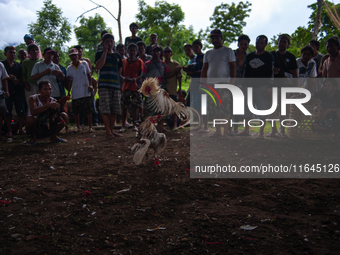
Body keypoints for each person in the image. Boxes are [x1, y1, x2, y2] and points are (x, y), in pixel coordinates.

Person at [201, 29, 236, 137]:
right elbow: (204, 69)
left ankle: (225, 132)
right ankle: (218, 131)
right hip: (211, 84)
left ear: (221, 38)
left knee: (225, 107)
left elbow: (233, 67)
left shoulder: (228, 51)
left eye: (217, 37)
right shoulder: (208, 53)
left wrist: (232, 82)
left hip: (224, 83)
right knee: (213, 107)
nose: (215, 40)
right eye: (213, 38)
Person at [237, 35, 273, 139]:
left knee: (262, 108)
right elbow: (245, 71)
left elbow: (271, 72)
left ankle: (261, 132)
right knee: (247, 108)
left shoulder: (268, 56)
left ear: (265, 44)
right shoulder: (250, 56)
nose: (259, 45)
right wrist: (244, 85)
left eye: (262, 43)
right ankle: (246, 130)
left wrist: (269, 87)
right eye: (258, 42)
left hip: (262, 86)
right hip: (249, 86)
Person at [95, 33, 123, 138]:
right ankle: (107, 131)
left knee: (114, 109)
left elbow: (120, 69)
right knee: (105, 109)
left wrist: (115, 78)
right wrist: (105, 53)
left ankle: (112, 130)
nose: (109, 43)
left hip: (115, 85)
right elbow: (98, 66)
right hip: (103, 85)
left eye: (111, 41)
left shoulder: (117, 56)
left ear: (113, 42)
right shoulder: (99, 53)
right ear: (103, 43)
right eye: (107, 42)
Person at [270, 34, 298, 138]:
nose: (281, 44)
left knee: (284, 109)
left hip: (286, 86)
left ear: (288, 44)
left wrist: (295, 89)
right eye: (280, 41)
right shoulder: (271, 55)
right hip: (273, 85)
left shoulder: (291, 57)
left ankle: (282, 131)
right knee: (271, 108)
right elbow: (265, 70)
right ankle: (273, 130)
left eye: (284, 42)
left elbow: (295, 74)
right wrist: (272, 70)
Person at [25, 80, 68, 146]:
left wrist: (55, 116)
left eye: (50, 89)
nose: (48, 91)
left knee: (64, 116)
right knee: (30, 119)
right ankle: (33, 138)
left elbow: (55, 116)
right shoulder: (33, 98)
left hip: (47, 125)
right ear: (39, 91)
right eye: (45, 89)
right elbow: (33, 112)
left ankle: (54, 137)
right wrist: (48, 105)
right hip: (36, 126)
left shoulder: (53, 100)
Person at [141, 45, 170, 132]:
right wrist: (146, 88)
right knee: (151, 109)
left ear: (160, 53)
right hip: (151, 90)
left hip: (161, 89)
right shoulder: (147, 64)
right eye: (154, 51)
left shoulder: (163, 64)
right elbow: (143, 77)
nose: (156, 53)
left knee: (161, 108)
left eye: (158, 51)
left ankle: (161, 126)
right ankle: (152, 128)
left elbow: (167, 75)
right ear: (151, 53)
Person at [67, 48, 94, 133]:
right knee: (76, 111)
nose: (74, 57)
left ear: (78, 55)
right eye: (72, 56)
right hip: (76, 91)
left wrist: (90, 84)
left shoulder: (84, 64)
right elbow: (70, 80)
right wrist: (68, 91)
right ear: (70, 57)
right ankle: (78, 126)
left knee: (88, 110)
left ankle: (90, 127)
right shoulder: (69, 68)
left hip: (85, 90)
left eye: (75, 55)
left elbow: (89, 75)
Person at [119, 43, 143, 132]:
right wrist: (124, 78)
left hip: (135, 87)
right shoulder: (123, 61)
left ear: (136, 52)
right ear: (127, 51)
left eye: (134, 50)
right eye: (130, 50)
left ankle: (134, 125)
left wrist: (136, 79)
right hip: (125, 87)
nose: (132, 52)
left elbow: (141, 74)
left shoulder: (139, 61)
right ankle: (123, 125)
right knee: (124, 107)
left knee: (135, 107)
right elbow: (120, 73)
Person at [2, 46, 26, 137]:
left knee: (21, 110)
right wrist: (7, 76)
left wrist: (17, 80)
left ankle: (20, 129)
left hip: (18, 90)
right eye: (10, 52)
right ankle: (9, 130)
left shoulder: (18, 65)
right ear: (5, 54)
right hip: (6, 91)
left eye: (14, 53)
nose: (13, 54)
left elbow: (21, 77)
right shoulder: (2, 64)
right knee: (7, 111)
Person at [73, 45, 98, 126]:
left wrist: (90, 84)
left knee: (91, 104)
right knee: (80, 106)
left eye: (81, 51)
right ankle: (81, 123)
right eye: (77, 52)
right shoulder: (72, 65)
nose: (79, 53)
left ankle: (95, 122)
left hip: (87, 86)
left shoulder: (86, 61)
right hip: (78, 87)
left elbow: (90, 73)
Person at [232, 35, 250, 134]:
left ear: (248, 45)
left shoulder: (249, 57)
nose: (243, 46)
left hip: (243, 84)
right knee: (230, 105)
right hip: (232, 82)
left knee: (239, 106)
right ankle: (230, 128)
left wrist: (244, 85)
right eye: (241, 43)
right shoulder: (232, 54)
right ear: (238, 44)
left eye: (245, 44)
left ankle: (236, 128)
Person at [163, 46, 182, 129]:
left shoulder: (175, 64)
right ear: (163, 54)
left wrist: (180, 89)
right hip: (163, 89)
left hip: (172, 89)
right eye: (165, 52)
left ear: (171, 54)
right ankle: (167, 125)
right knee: (165, 107)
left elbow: (179, 77)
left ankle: (175, 125)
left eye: (168, 52)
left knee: (174, 108)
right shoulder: (161, 64)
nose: (167, 54)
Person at [22, 43, 41, 108]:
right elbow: (23, 74)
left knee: (41, 103)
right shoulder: (26, 62)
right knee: (30, 103)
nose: (35, 52)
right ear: (29, 52)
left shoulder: (41, 61)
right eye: (33, 50)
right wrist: (26, 84)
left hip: (40, 84)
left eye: (36, 50)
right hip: (30, 85)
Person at [0, 62, 10, 142]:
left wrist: (6, 90)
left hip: (0, 94)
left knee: (1, 115)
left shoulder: (0, 65)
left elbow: (4, 79)